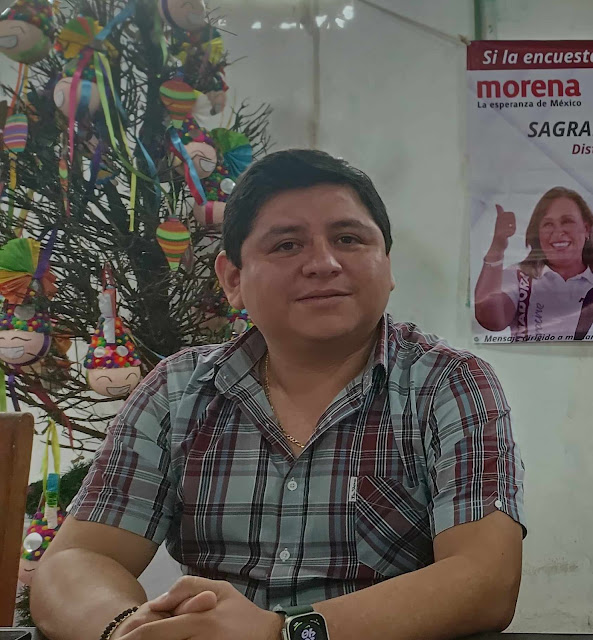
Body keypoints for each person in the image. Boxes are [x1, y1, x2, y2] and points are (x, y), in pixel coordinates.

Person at [31, 149, 525, 640]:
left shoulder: (448, 384)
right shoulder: (177, 390)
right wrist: (125, 630)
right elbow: (77, 558)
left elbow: (485, 579)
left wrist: (280, 633)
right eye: (287, 245)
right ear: (233, 279)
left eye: (348, 239)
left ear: (387, 266)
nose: (324, 263)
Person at [475, 186, 593, 340]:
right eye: (548, 224)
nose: (558, 232)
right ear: (537, 233)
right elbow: (491, 320)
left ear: (586, 229)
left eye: (567, 221)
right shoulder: (518, 276)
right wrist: (497, 247)